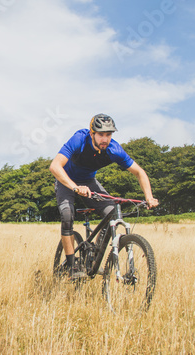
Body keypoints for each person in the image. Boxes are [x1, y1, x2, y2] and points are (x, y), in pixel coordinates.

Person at [49, 114, 159, 279]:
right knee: (67, 215)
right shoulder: (79, 139)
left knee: (111, 212)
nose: (105, 139)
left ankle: (96, 254)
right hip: (66, 180)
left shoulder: (114, 150)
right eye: (101, 134)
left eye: (109, 135)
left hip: (88, 181)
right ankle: (71, 267)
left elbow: (139, 172)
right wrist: (75, 187)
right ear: (92, 133)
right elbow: (55, 166)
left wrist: (149, 197)